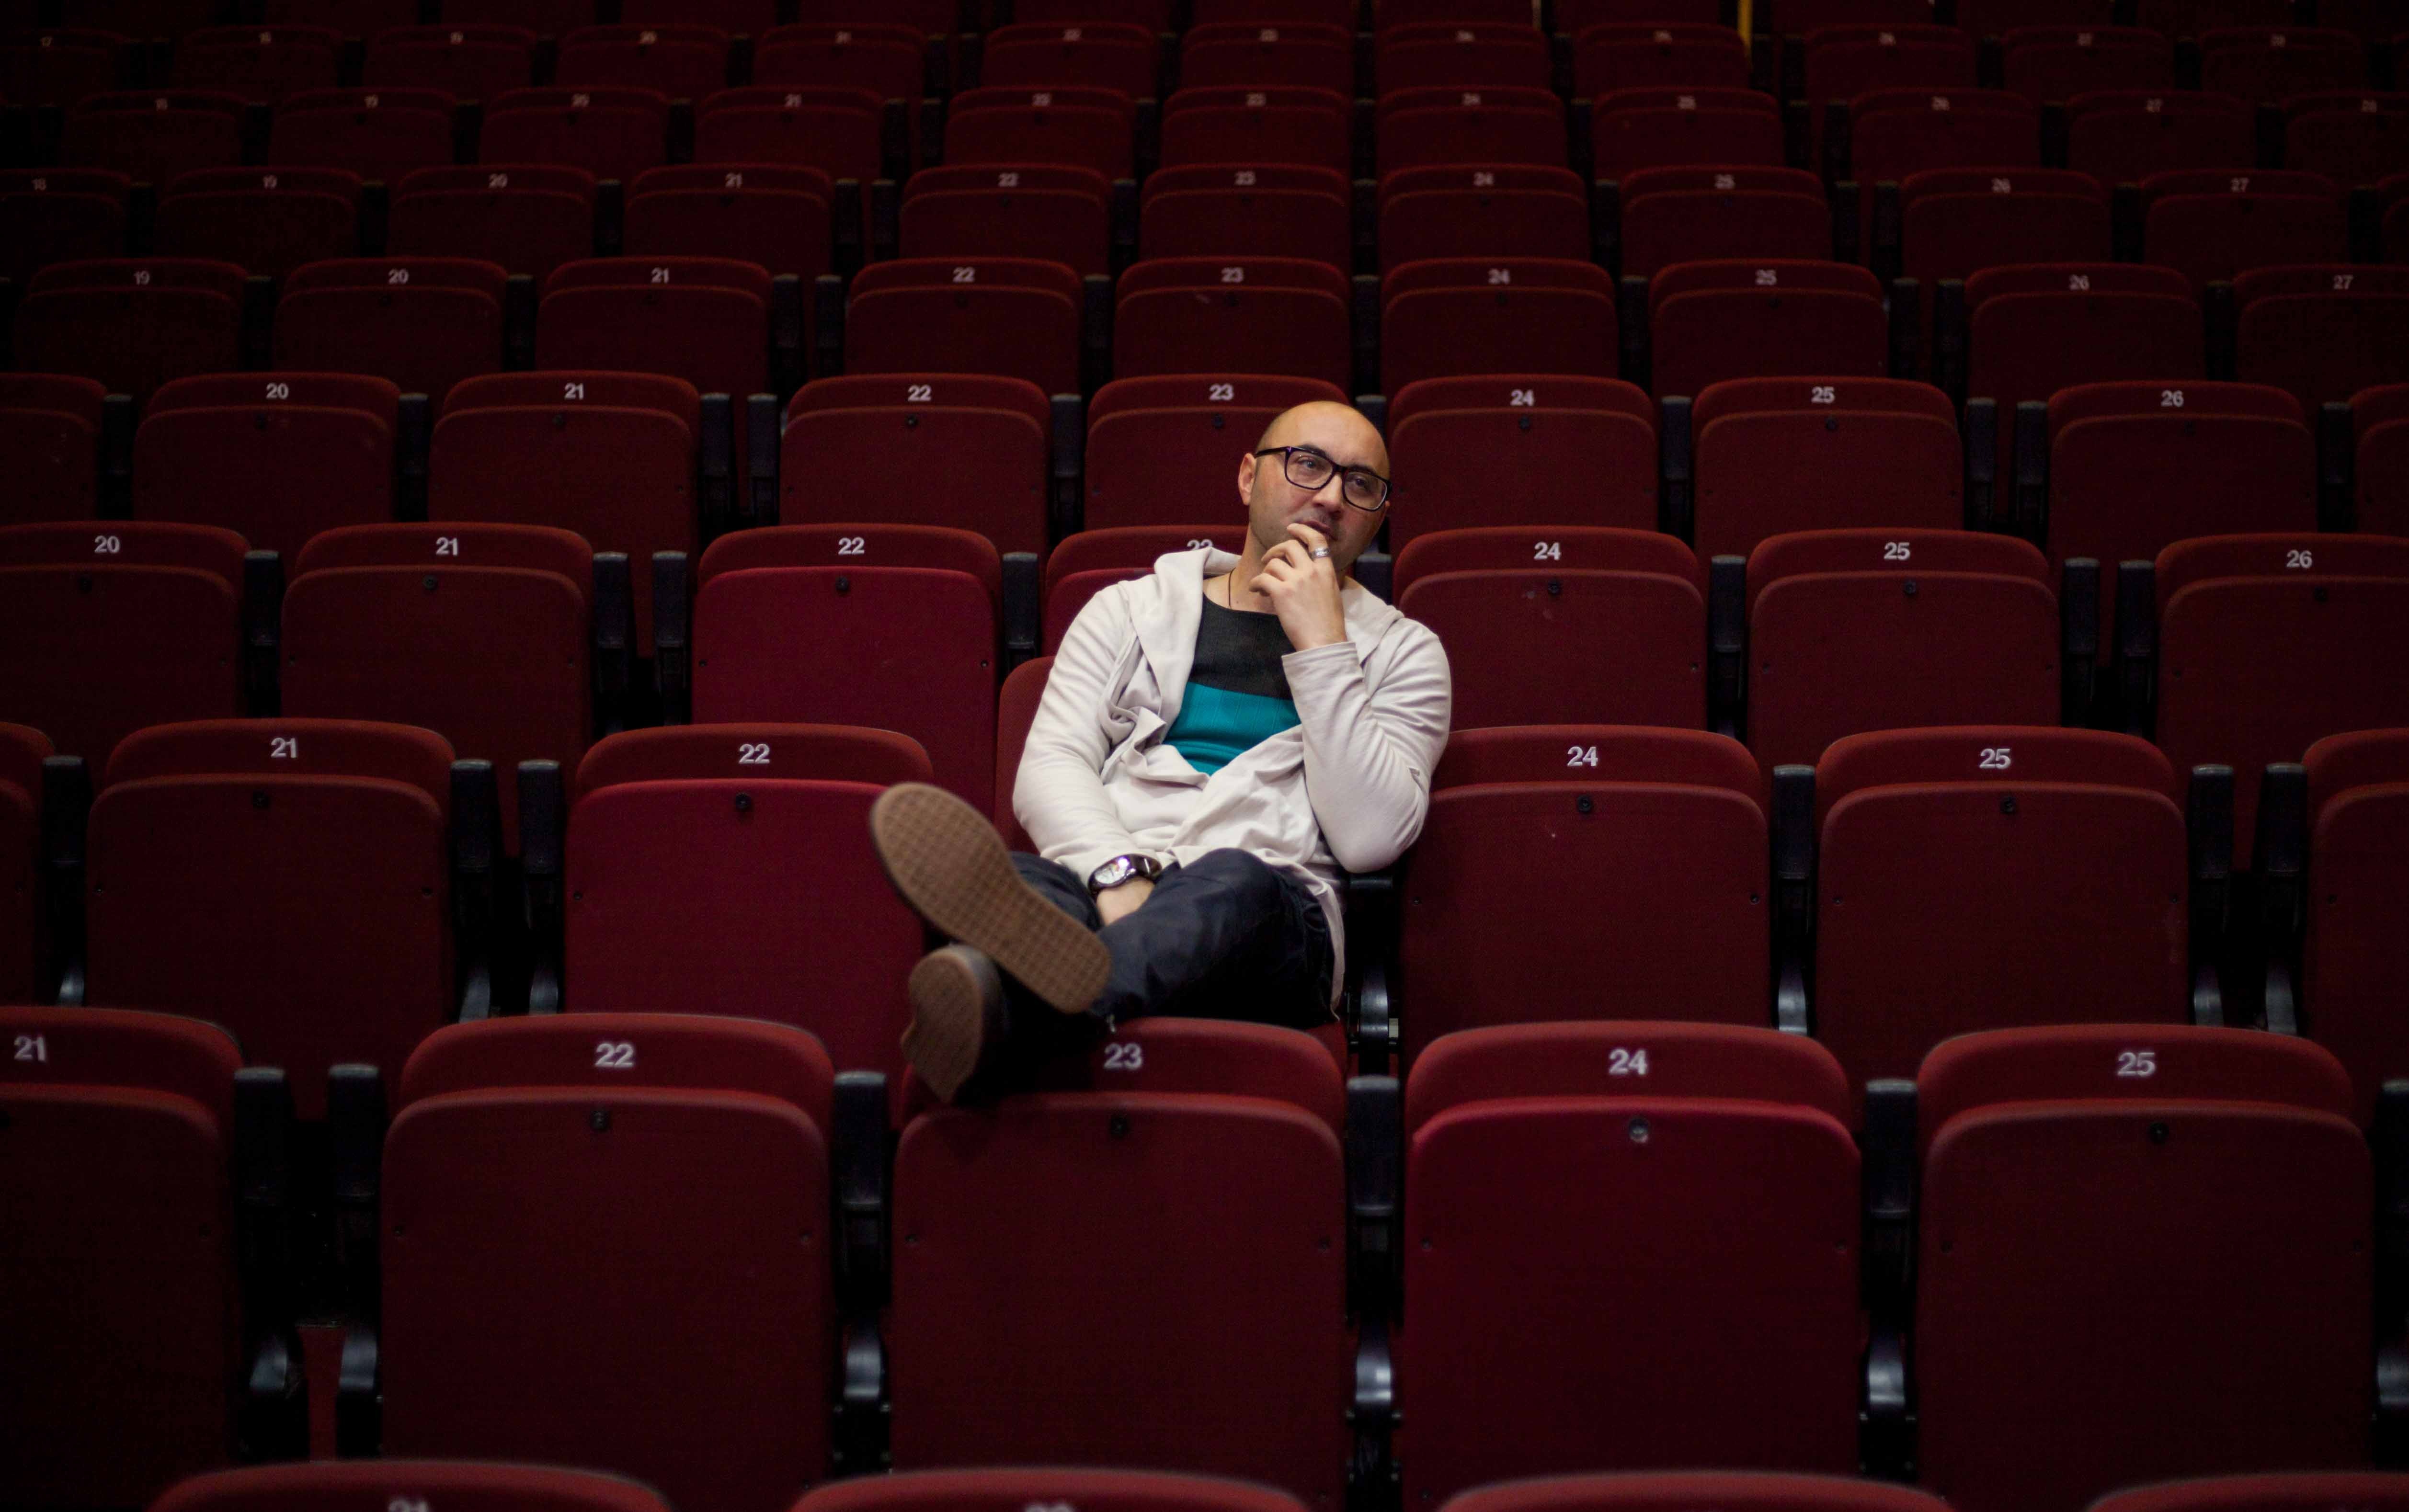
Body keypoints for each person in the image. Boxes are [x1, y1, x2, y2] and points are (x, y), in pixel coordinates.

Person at [869, 399, 1452, 1099]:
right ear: (1248, 477)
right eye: (1307, 465)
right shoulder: (1126, 611)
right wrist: (1120, 876)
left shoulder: (1405, 653)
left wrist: (1325, 646)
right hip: (1115, 875)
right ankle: (1015, 1002)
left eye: (1360, 484)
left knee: (1232, 880)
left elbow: (1369, 838)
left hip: (1273, 914)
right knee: (1028, 880)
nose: (1330, 496)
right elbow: (1051, 766)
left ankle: (1008, 1007)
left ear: (1377, 518)